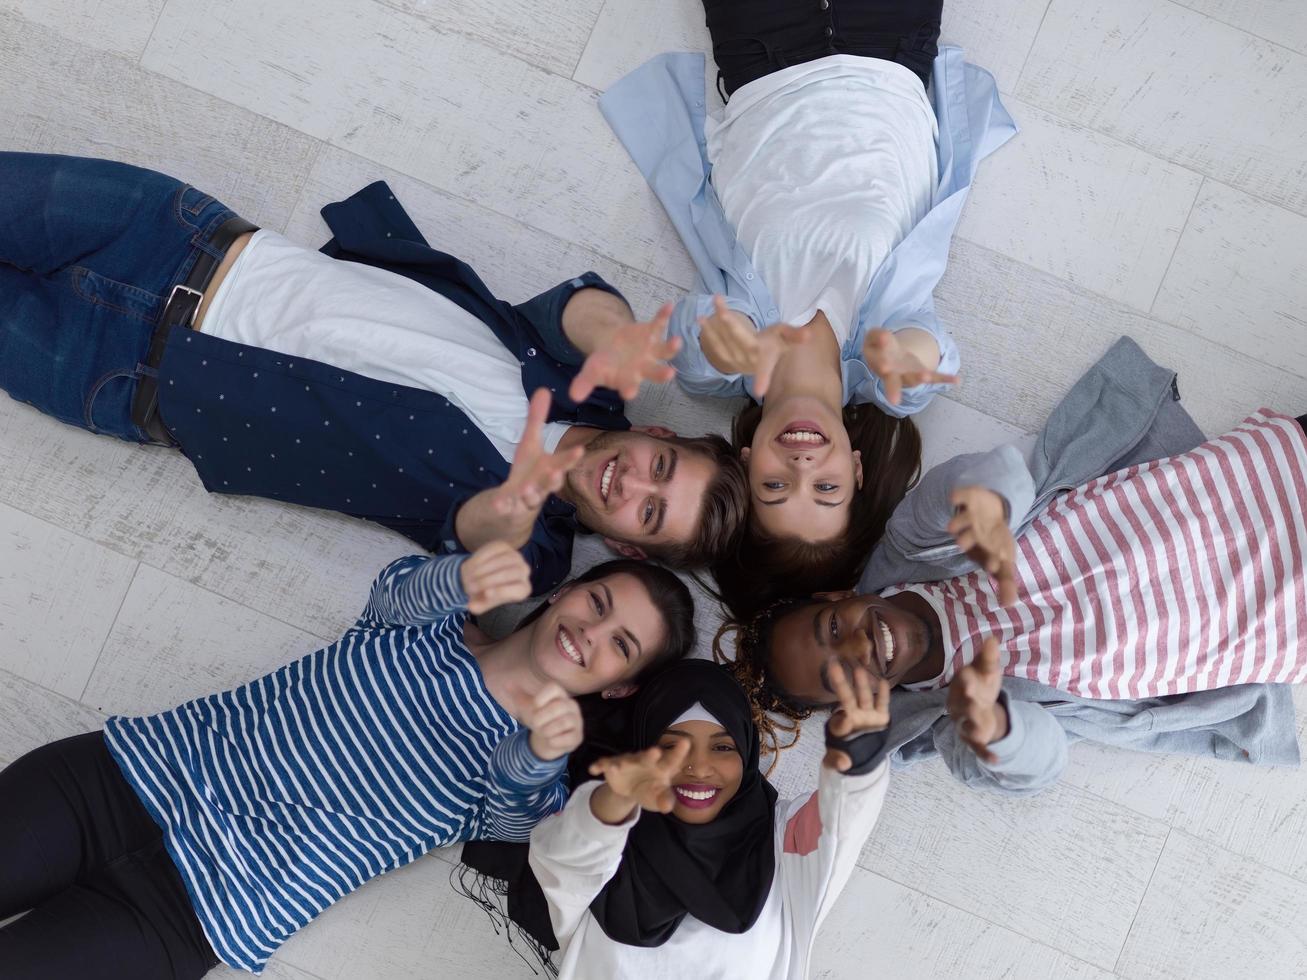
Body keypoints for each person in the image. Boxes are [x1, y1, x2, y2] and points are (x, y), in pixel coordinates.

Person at [0, 152, 749, 595]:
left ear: (626, 546)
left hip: (123, 376)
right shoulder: (591, 378)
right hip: (184, 237)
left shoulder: (536, 554)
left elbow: (480, 546)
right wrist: (619, 335)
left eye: (649, 510)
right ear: (657, 432)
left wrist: (514, 504)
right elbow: (582, 307)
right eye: (661, 467)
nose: (634, 483)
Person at [0, 541, 696, 978]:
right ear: (565, 591)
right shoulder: (421, 629)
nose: (590, 630)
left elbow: (512, 822)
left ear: (620, 684)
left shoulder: (529, 775)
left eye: (620, 643)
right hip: (120, 781)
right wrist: (470, 573)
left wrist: (542, 753)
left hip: (195, 912)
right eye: (597, 602)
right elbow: (401, 589)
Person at [723, 336, 1305, 791]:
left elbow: (976, 484)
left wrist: (990, 503)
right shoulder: (941, 719)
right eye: (840, 677)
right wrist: (997, 729)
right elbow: (1035, 761)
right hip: (1273, 621)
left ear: (833, 599)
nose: (855, 648)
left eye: (831, 630)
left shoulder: (906, 551)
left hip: (1247, 493)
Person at [599, 0, 1018, 615]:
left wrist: (733, 336)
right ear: (855, 469)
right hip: (891, 59)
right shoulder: (885, 380)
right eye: (824, 488)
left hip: (765, 61)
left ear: (745, 462)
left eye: (775, 486)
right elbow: (933, 354)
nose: (801, 464)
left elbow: (693, 335)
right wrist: (910, 358)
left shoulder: (721, 368)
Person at [492, 658, 891, 979]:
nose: (699, 768)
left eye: (722, 747)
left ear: (747, 755)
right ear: (643, 750)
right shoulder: (612, 848)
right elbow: (566, 857)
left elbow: (840, 823)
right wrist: (616, 798)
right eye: (671, 747)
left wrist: (860, 753)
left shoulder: (781, 847)